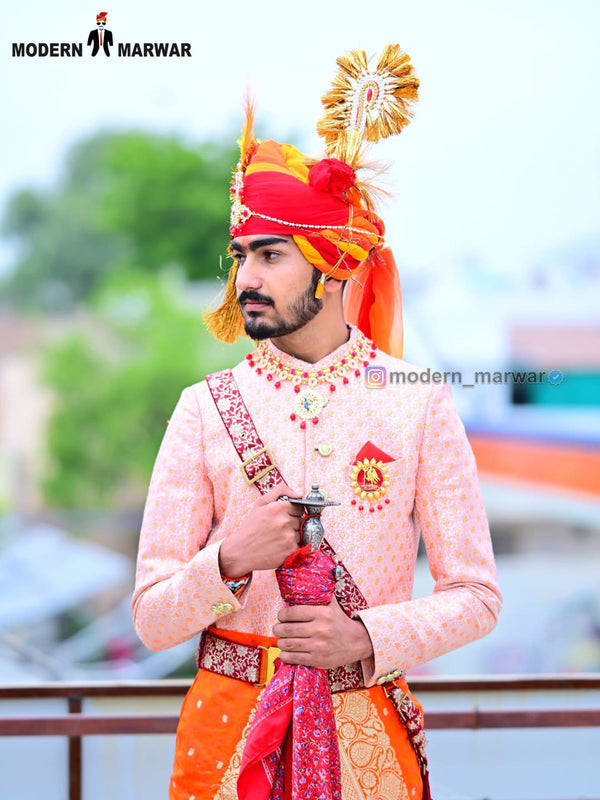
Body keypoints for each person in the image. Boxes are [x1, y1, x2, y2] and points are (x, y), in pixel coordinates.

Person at [132, 43, 502, 800]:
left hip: (365, 733)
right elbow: (149, 621)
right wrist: (228, 560)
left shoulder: (417, 400)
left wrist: (365, 639)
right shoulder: (203, 410)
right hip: (226, 738)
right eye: (239, 257)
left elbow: (478, 596)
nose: (246, 280)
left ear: (331, 267)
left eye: (269, 256)